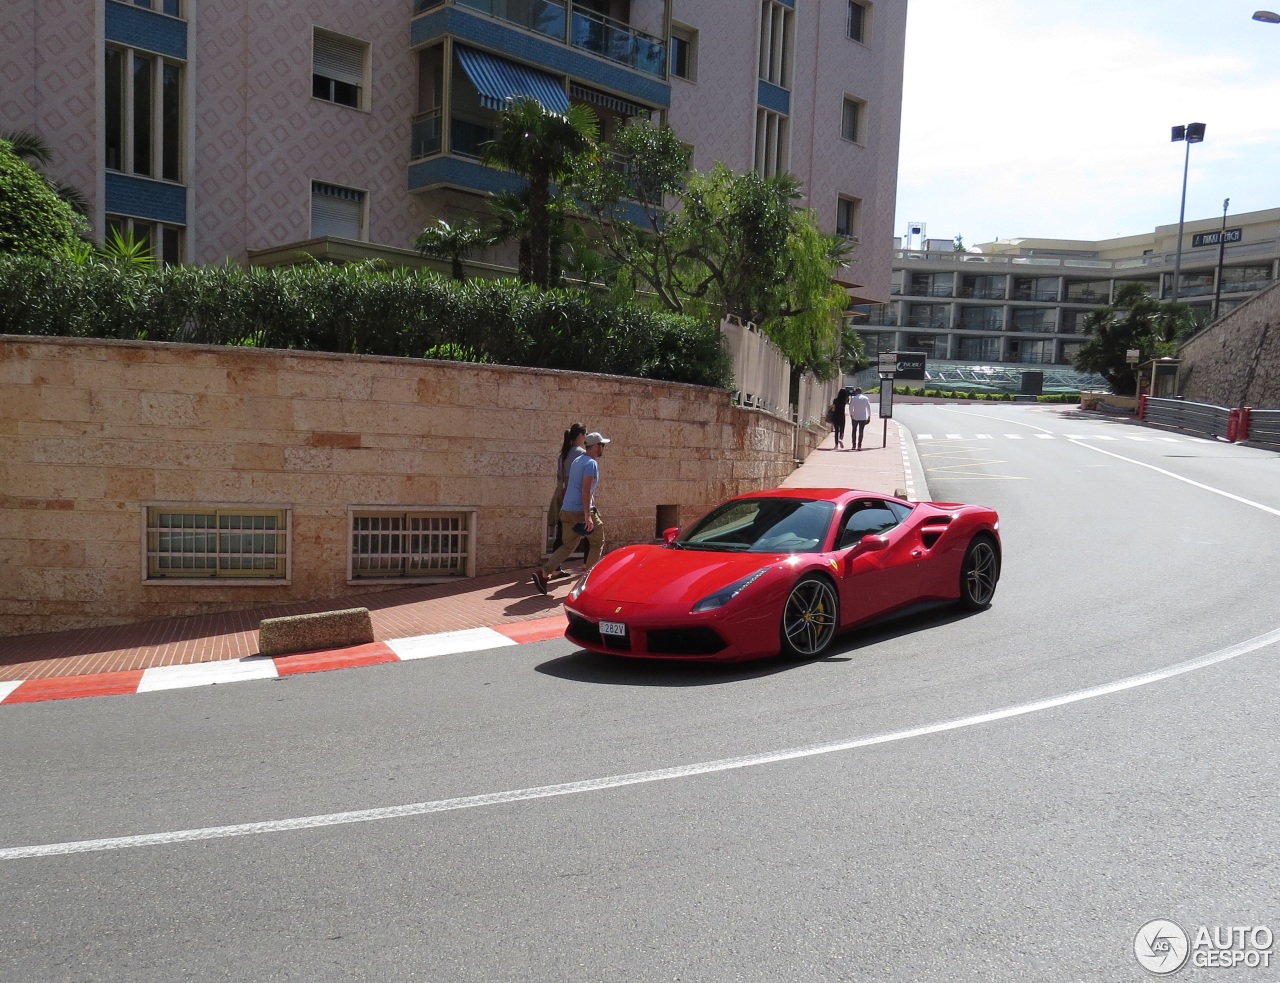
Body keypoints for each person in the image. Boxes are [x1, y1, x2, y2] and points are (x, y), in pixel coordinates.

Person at [533, 431, 610, 595]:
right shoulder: (591, 463)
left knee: (568, 545)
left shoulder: (577, 460)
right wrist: (588, 514)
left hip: (567, 510)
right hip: (580, 510)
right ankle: (588, 584)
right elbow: (585, 489)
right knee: (597, 542)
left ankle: (544, 573)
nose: (603, 448)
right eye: (602, 445)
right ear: (595, 446)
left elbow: (577, 486)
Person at [549, 423, 587, 562]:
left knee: (561, 531)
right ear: (580, 435)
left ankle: (555, 567)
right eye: (585, 434)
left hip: (561, 494)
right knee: (590, 532)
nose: (586, 437)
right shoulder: (581, 454)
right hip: (574, 496)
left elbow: (559, 476)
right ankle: (587, 566)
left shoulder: (563, 454)